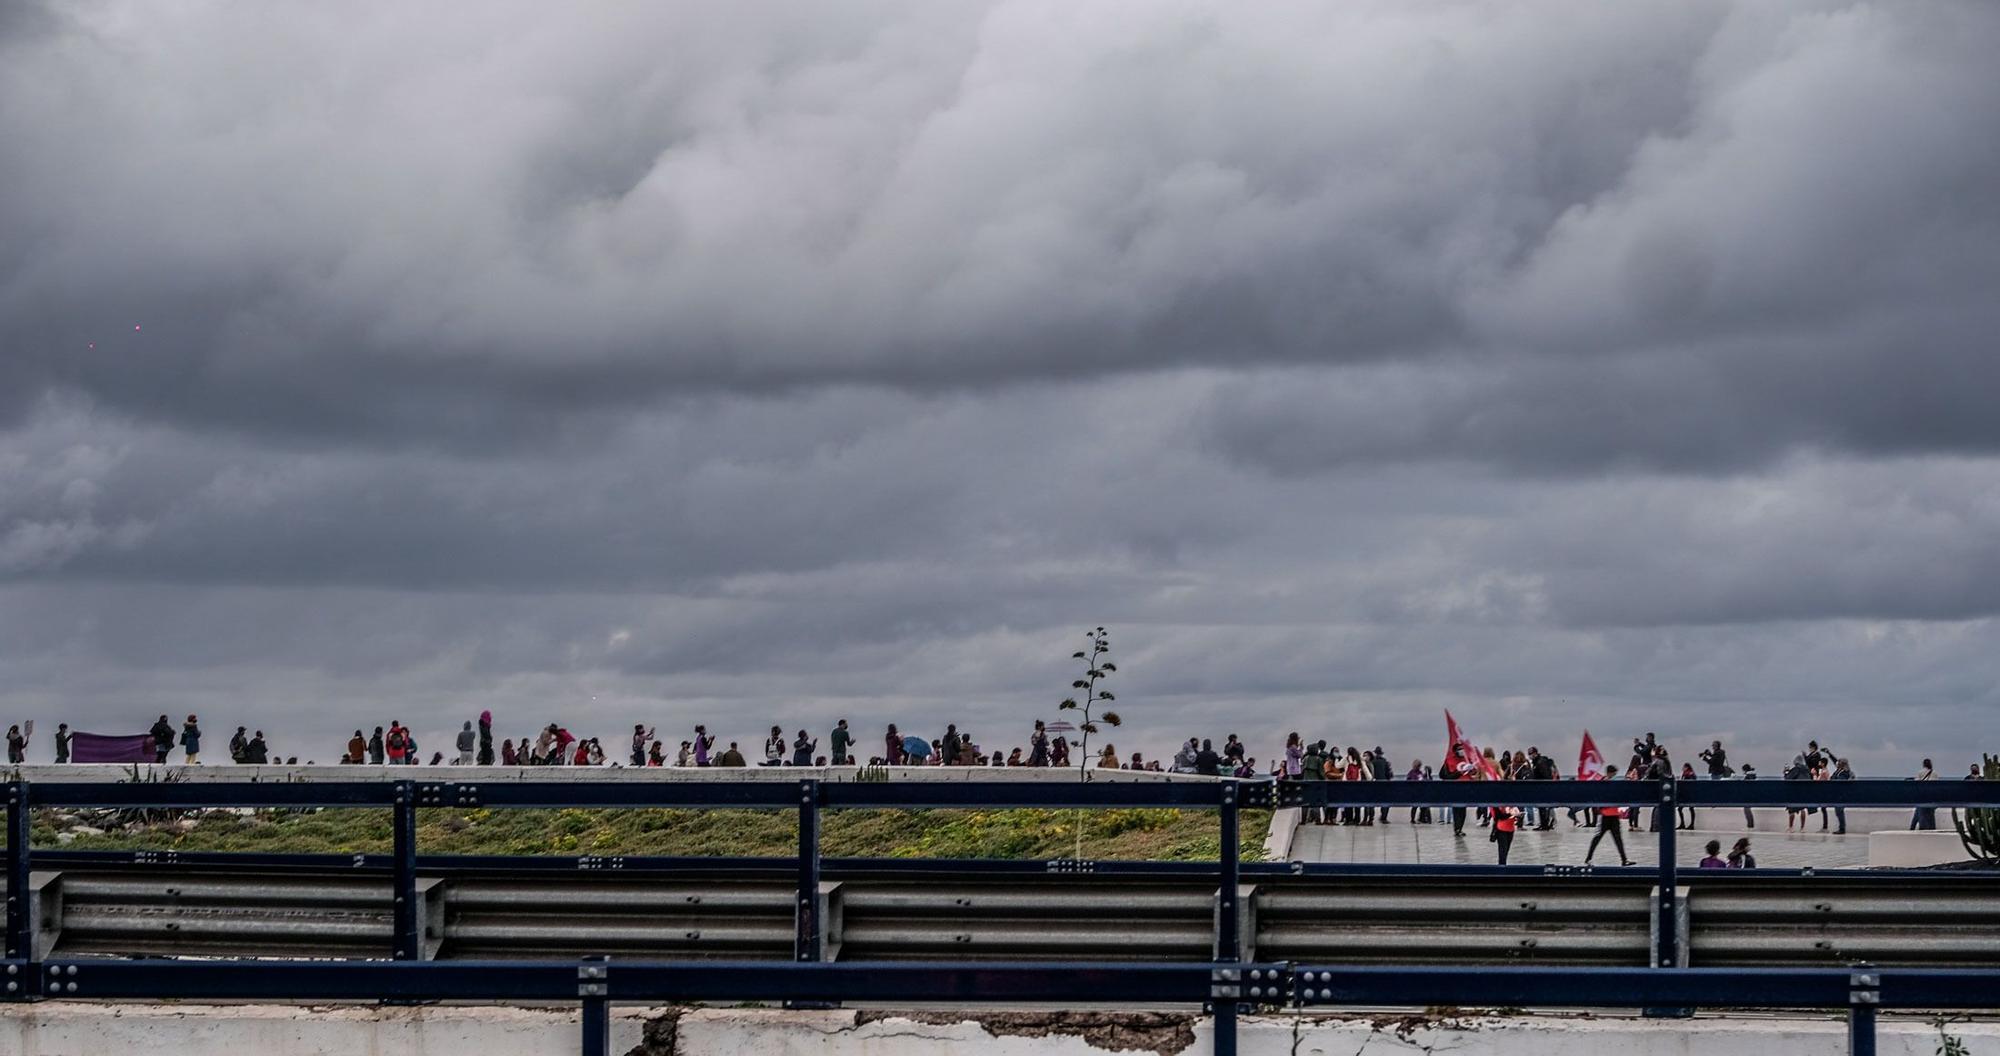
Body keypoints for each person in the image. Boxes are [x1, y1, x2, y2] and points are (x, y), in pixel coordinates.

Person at [1585, 782, 1634, 867]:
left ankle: (1624, 859)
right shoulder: (1605, 792)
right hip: (1606, 816)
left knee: (1617, 839)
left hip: (1613, 816)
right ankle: (1588, 858)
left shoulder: (1612, 792)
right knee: (1598, 838)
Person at [1911, 758, 1938, 830]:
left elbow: (1917, 782)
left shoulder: (1920, 772)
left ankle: (1915, 827)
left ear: (1923, 764)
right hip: (1931, 796)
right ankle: (1932, 827)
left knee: (1919, 811)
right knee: (1931, 814)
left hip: (1922, 795)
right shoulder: (1934, 773)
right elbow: (1936, 784)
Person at [1829, 758, 1854, 834]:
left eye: (1839, 762)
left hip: (1841, 794)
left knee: (1839, 811)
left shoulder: (1844, 772)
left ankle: (1842, 828)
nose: (1837, 763)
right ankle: (1841, 827)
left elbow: (1840, 781)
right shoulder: (1839, 771)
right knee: (1838, 811)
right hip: (1837, 793)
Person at [1678, 762, 1698, 829]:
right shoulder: (1685, 774)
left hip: (1688, 793)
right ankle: (1683, 824)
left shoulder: (1689, 774)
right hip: (1685, 793)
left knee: (1690, 808)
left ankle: (1691, 824)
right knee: (1680, 809)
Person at [1739, 763, 1758, 828]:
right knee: (1747, 810)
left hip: (1748, 796)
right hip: (1751, 795)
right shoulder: (1752, 775)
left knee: (1746, 810)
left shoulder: (1748, 776)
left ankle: (1750, 825)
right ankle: (1750, 824)